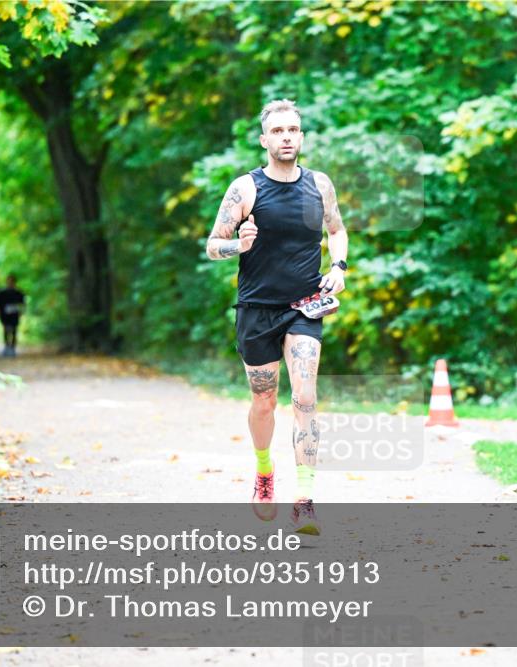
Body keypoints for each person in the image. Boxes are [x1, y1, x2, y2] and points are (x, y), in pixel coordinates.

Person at [205, 99, 348, 535]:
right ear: (264, 139)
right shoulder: (245, 189)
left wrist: (339, 269)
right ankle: (264, 470)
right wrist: (239, 245)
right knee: (264, 401)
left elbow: (337, 230)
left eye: (293, 130)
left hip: (304, 307)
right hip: (257, 310)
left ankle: (304, 501)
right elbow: (213, 245)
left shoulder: (319, 185)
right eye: (278, 131)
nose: (286, 137)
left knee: (305, 397)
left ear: (301, 136)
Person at [0, 275, 26, 357]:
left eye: (11, 281)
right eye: (9, 281)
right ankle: (6, 347)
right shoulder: (2, 293)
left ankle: (12, 348)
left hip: (14, 315)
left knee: (14, 331)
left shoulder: (18, 293)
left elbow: (22, 304)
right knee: (6, 330)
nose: (10, 283)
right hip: (5, 315)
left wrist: (21, 312)